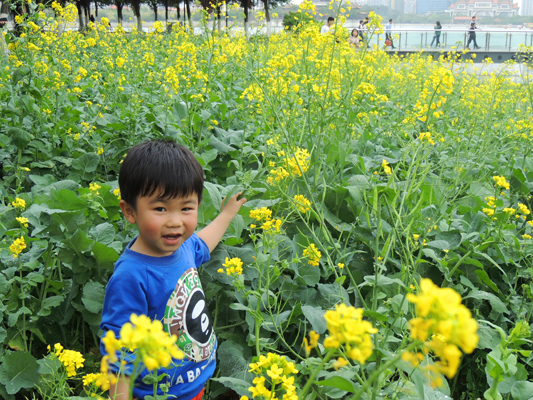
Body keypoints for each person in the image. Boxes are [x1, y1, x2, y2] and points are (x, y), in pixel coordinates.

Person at [99, 140, 247, 400]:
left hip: (195, 380)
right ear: (130, 211)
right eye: (160, 208)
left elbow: (204, 243)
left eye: (187, 208)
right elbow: (119, 353)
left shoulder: (184, 246)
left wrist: (227, 214)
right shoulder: (131, 276)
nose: (175, 222)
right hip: (159, 391)